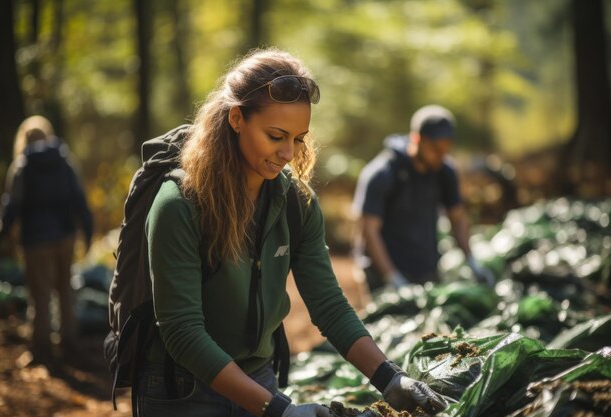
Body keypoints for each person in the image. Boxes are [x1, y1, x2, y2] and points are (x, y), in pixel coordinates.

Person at [139, 48, 448, 417]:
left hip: (261, 379)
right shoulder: (179, 204)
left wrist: (390, 378)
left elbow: (328, 304)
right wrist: (279, 411)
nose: (288, 152)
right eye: (275, 136)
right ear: (237, 119)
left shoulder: (295, 202)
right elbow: (182, 332)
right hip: (184, 391)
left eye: (299, 138)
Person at [352, 104, 495, 292]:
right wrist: (392, 278)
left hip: (426, 271)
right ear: (416, 139)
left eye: (446, 149)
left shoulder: (445, 172)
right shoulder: (382, 173)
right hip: (382, 275)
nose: (440, 155)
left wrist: (471, 261)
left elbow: (457, 218)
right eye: (435, 148)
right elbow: (369, 230)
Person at [0, 115, 93, 366]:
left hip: (35, 241)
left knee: (40, 295)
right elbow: (79, 199)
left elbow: (11, 207)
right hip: (66, 237)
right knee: (66, 291)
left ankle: (42, 349)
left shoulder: (22, 166)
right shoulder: (65, 161)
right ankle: (69, 344)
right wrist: (87, 231)